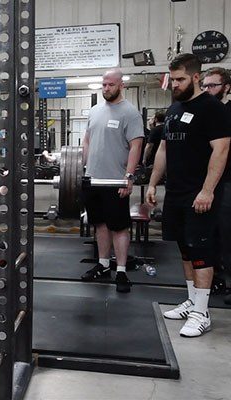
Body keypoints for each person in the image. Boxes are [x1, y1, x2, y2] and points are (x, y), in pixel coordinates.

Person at [146, 54, 231, 337]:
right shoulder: (173, 109)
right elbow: (163, 150)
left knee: (201, 252)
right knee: (184, 249)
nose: (175, 84)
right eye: (173, 79)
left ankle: (202, 311)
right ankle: (192, 300)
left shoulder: (212, 109)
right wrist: (152, 184)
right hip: (176, 193)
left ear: (196, 77)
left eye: (181, 79)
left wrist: (207, 190)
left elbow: (221, 150)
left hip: (200, 194)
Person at [80, 68, 144, 293]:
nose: (106, 88)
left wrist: (129, 176)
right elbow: (87, 140)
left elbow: (136, 145)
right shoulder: (95, 111)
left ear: (121, 85)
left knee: (119, 226)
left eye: (111, 85)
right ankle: (104, 264)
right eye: (104, 85)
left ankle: (122, 270)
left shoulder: (130, 113)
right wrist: (83, 167)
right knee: (100, 224)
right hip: (93, 179)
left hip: (115, 180)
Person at [200, 67, 231, 306]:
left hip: (228, 182)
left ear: (226, 87)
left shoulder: (227, 112)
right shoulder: (204, 112)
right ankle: (217, 279)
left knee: (227, 233)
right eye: (205, 86)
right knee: (211, 234)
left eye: (213, 86)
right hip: (207, 182)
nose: (208, 90)